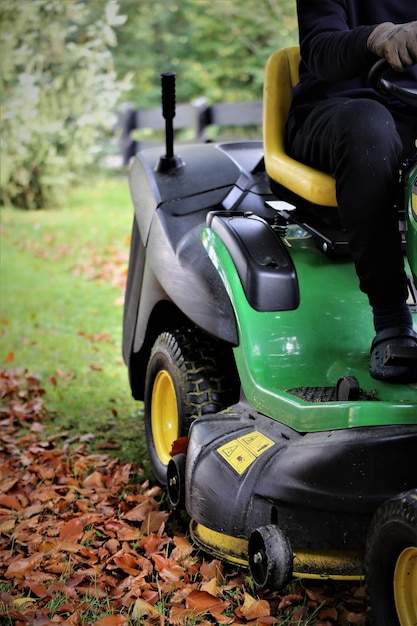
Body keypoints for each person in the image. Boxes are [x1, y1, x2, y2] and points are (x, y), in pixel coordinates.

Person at [286, 1, 417, 383]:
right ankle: (392, 317)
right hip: (337, 113)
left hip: (409, 113)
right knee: (368, 126)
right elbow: (321, 52)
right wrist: (379, 38)